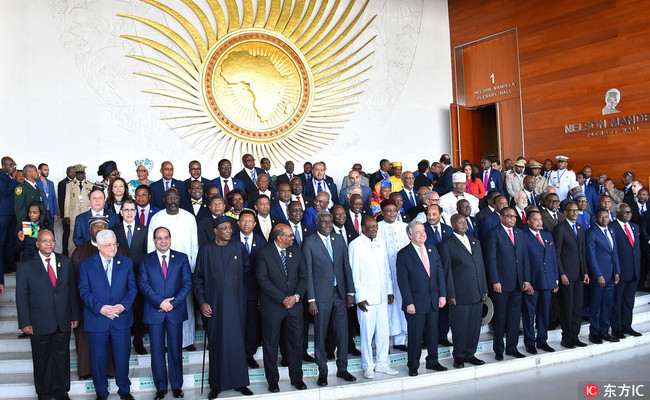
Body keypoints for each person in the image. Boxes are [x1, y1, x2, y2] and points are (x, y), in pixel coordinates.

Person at [16, 230, 80, 400]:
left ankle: (61, 391)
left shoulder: (65, 262)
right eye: (44, 241)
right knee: (41, 359)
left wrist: (74, 315)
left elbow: (71, 290)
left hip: (62, 320)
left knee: (62, 358)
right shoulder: (26, 265)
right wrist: (24, 322)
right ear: (37, 244)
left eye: (51, 240)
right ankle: (44, 393)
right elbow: (21, 296)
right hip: (38, 322)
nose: (48, 244)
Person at [194, 216, 253, 398]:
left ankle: (241, 382)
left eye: (230, 227)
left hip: (236, 305)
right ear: (215, 231)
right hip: (214, 306)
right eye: (224, 227)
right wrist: (203, 303)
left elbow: (246, 271)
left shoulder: (238, 247)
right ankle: (216, 385)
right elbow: (198, 280)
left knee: (237, 343)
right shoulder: (206, 250)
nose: (229, 230)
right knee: (217, 344)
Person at [78, 229, 137, 400]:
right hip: (97, 318)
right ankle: (101, 393)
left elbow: (132, 289)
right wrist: (100, 308)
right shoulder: (86, 264)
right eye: (108, 245)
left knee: (122, 356)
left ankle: (124, 390)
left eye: (115, 244)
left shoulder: (125, 263)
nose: (113, 247)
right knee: (98, 358)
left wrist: (122, 306)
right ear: (99, 246)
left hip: (121, 318)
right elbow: (84, 291)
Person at [303, 211, 356, 387]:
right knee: (320, 335)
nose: (327, 224)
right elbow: (308, 272)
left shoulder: (339, 239)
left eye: (329, 221)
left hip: (340, 294)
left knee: (342, 333)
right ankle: (322, 371)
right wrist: (311, 299)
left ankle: (342, 368)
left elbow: (346, 267)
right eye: (324, 221)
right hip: (320, 296)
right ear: (317, 223)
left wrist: (350, 293)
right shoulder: (310, 242)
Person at [139, 226, 192, 400]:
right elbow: (143, 284)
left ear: (170, 239)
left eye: (166, 237)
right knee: (157, 350)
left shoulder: (181, 258)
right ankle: (160, 387)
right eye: (159, 238)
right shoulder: (146, 260)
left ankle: (177, 386)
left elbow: (187, 284)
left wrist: (172, 303)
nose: (163, 241)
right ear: (154, 241)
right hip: (155, 312)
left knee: (176, 349)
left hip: (174, 312)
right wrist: (160, 302)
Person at [71, 216, 127, 380]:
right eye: (96, 226)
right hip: (90, 309)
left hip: (116, 312)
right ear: (90, 230)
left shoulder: (119, 250)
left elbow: (127, 284)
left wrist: (119, 306)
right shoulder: (80, 252)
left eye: (103, 226)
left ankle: (114, 374)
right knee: (92, 348)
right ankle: (88, 372)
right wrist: (98, 307)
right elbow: (79, 286)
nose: (99, 229)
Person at [255, 224, 308, 393]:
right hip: (272, 306)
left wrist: (296, 297)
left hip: (294, 306)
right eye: (290, 235)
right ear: (279, 237)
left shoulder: (297, 252)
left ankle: (297, 378)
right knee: (270, 344)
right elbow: (262, 279)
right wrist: (282, 299)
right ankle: (272, 381)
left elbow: (304, 277)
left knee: (295, 343)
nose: (293, 238)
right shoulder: (264, 253)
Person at [147, 189, 198, 351]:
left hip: (184, 270)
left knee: (185, 305)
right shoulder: (157, 218)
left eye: (175, 197)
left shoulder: (189, 218)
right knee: (164, 306)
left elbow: (194, 246)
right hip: (161, 270)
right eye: (169, 198)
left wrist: (191, 270)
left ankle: (187, 340)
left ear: (179, 198)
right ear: (164, 199)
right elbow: (150, 245)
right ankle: (167, 343)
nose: (173, 200)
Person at [349, 216, 399, 379]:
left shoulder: (380, 243)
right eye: (370, 227)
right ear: (362, 228)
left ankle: (382, 363)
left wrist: (389, 290)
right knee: (367, 333)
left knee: (383, 332)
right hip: (366, 299)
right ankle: (368, 366)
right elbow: (354, 272)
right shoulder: (355, 245)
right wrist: (359, 297)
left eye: (376, 227)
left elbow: (386, 269)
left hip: (382, 295)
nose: (374, 229)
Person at [396, 221, 447, 376]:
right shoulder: (403, 254)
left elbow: (439, 274)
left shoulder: (432, 249)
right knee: (415, 336)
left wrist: (442, 295)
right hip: (415, 303)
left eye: (423, 231)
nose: (422, 234)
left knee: (433, 333)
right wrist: (409, 302)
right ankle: (413, 364)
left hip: (433, 300)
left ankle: (433, 361)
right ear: (410, 235)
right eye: (418, 232)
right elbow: (402, 282)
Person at [439, 214, 488, 368]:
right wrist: (450, 294)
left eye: (464, 221)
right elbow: (446, 273)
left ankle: (470, 354)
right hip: (459, 295)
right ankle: (459, 356)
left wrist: (484, 288)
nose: (463, 224)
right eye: (459, 222)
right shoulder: (446, 244)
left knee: (474, 326)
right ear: (452, 224)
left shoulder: (475, 241)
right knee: (459, 327)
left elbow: (481, 266)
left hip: (477, 292)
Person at [485, 207, 531, 360]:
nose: (512, 218)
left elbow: (524, 258)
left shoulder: (519, 233)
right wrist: (495, 281)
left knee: (514, 317)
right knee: (500, 318)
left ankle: (512, 347)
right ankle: (498, 349)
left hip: (517, 283)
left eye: (514, 216)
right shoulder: (493, 233)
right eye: (508, 216)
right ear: (501, 218)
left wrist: (526, 279)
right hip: (501, 284)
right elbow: (490, 260)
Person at [111, 199, 148, 355]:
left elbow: (147, 255)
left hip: (140, 276)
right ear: (121, 212)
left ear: (136, 211)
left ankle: (138, 341)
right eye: (126, 210)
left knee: (139, 309)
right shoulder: (114, 231)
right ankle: (124, 341)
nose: (129, 213)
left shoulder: (145, 230)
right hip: (120, 277)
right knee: (123, 308)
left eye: (132, 210)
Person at [552, 201, 589, 349]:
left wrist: (585, 271)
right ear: (565, 212)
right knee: (567, 307)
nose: (574, 213)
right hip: (567, 275)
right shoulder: (560, 228)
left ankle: (575, 335)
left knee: (578, 306)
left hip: (579, 274)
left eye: (576, 210)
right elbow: (557, 253)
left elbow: (582, 252)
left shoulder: (580, 228)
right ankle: (566, 337)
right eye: (571, 210)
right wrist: (562, 273)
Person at [374, 199, 410, 351]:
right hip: (383, 272)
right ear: (382, 213)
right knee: (386, 305)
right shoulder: (377, 228)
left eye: (394, 210)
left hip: (401, 271)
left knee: (401, 303)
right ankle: (384, 342)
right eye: (388, 210)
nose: (392, 213)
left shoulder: (404, 227)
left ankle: (400, 339)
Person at [522, 211, 558, 354]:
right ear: (529, 222)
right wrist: (527, 281)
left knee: (544, 313)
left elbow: (552, 258)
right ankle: (530, 342)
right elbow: (523, 261)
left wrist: (555, 279)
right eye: (535, 219)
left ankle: (542, 340)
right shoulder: (524, 236)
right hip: (533, 282)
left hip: (547, 280)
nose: (539, 222)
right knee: (529, 314)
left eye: (540, 219)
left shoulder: (547, 235)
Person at [236, 210, 266, 369]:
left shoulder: (261, 242)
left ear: (255, 224)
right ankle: (236, 353)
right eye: (244, 221)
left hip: (254, 290)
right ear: (238, 223)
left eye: (250, 221)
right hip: (234, 290)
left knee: (252, 323)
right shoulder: (231, 240)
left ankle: (249, 354)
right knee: (236, 323)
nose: (247, 224)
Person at [586, 208, 621, 344]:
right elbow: (591, 256)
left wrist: (617, 271)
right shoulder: (591, 233)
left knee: (607, 305)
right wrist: (598, 275)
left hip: (611, 274)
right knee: (595, 306)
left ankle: (604, 331)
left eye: (606, 217)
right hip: (599, 276)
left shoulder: (611, 231)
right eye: (601, 217)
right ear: (596, 218)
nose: (605, 219)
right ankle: (594, 333)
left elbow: (615, 252)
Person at [610, 203, 642, 338]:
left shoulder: (635, 227)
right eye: (625, 212)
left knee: (629, 301)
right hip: (620, 271)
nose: (628, 214)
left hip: (634, 270)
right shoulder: (612, 227)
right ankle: (616, 328)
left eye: (629, 212)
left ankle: (627, 326)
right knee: (617, 301)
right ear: (617, 213)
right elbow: (613, 251)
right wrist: (616, 271)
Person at [14, 164, 44, 230]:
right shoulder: (21, 188)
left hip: (38, 225)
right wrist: (26, 228)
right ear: (28, 173)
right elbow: (20, 210)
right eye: (35, 170)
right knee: (29, 240)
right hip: (28, 226)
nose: (38, 172)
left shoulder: (36, 187)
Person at [57, 166, 75, 255]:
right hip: (66, 215)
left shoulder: (76, 183)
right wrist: (64, 215)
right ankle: (65, 252)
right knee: (67, 233)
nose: (72, 174)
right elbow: (61, 200)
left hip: (74, 213)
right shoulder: (62, 183)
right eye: (70, 172)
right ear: (66, 172)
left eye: (74, 172)